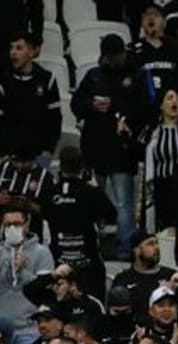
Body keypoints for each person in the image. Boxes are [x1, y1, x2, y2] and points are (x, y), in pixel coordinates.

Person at [72, 34, 140, 259]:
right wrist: (91, 105)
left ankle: (125, 249)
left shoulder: (134, 75)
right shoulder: (93, 77)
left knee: (124, 204)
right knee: (91, 202)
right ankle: (91, 246)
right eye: (108, 56)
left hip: (122, 150)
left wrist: (123, 113)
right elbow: (76, 104)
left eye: (116, 55)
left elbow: (143, 107)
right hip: (94, 149)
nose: (112, 60)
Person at [0, 209, 56, 344]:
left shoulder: (42, 253)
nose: (12, 228)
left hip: (30, 330)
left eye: (17, 224)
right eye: (7, 224)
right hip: (2, 333)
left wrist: (23, 273)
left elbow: (45, 293)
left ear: (26, 224)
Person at [41, 147, 117, 300]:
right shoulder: (91, 192)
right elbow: (111, 215)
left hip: (60, 263)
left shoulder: (50, 192)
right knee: (93, 308)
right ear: (82, 167)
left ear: (61, 166)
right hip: (88, 264)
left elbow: (43, 214)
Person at [0, 31, 61, 163]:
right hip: (11, 157)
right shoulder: (2, 82)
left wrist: (48, 151)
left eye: (19, 48)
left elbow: (55, 120)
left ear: (32, 52)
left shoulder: (47, 80)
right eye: (11, 48)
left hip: (39, 156)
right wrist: (3, 152)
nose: (13, 52)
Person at [139, 88, 178, 233]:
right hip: (159, 186)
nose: (175, 102)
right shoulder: (151, 131)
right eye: (170, 98)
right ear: (161, 105)